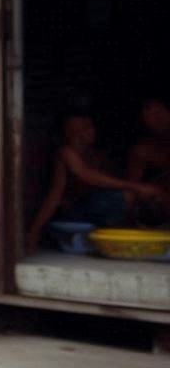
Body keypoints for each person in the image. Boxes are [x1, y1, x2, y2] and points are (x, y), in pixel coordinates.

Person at [26, 111, 168, 253]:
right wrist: (35, 231)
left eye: (90, 127)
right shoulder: (66, 152)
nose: (90, 131)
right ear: (71, 133)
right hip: (75, 215)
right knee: (127, 195)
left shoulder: (95, 155)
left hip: (95, 213)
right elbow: (79, 179)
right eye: (83, 128)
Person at [126, 98, 170, 225]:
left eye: (159, 111)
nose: (157, 118)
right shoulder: (143, 150)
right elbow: (132, 186)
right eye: (149, 115)